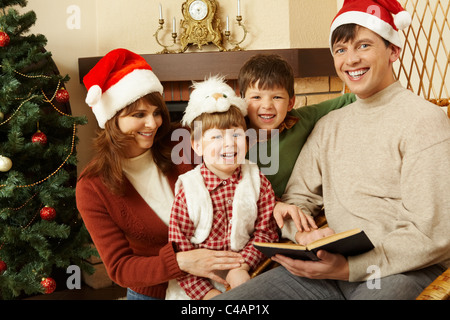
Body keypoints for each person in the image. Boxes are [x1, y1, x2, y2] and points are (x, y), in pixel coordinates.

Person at [216, 0, 450, 300]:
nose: (350, 60)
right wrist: (301, 233)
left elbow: (434, 233)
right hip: (323, 269)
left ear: (393, 50)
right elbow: (297, 198)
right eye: (341, 50)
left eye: (363, 46)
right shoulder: (329, 125)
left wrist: (348, 268)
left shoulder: (425, 120)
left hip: (398, 270)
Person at [76, 49, 245, 300]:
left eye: (156, 112)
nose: (153, 123)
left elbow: (237, 158)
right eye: (139, 115)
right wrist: (181, 262)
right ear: (112, 119)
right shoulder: (92, 187)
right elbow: (120, 267)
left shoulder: (182, 141)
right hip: (153, 292)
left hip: (217, 280)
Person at [166, 76, 284, 300]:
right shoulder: (188, 189)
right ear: (197, 145)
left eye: (236, 135)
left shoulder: (257, 180)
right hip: (195, 286)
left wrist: (241, 266)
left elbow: (265, 232)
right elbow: (179, 250)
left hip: (246, 273)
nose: (229, 143)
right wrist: (206, 294)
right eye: (217, 137)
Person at [239, 54, 356, 203]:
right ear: (242, 100)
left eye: (277, 97)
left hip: (291, 206)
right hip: (249, 208)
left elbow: (346, 100)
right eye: (256, 97)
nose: (267, 105)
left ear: (290, 102)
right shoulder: (235, 135)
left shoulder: (300, 120)